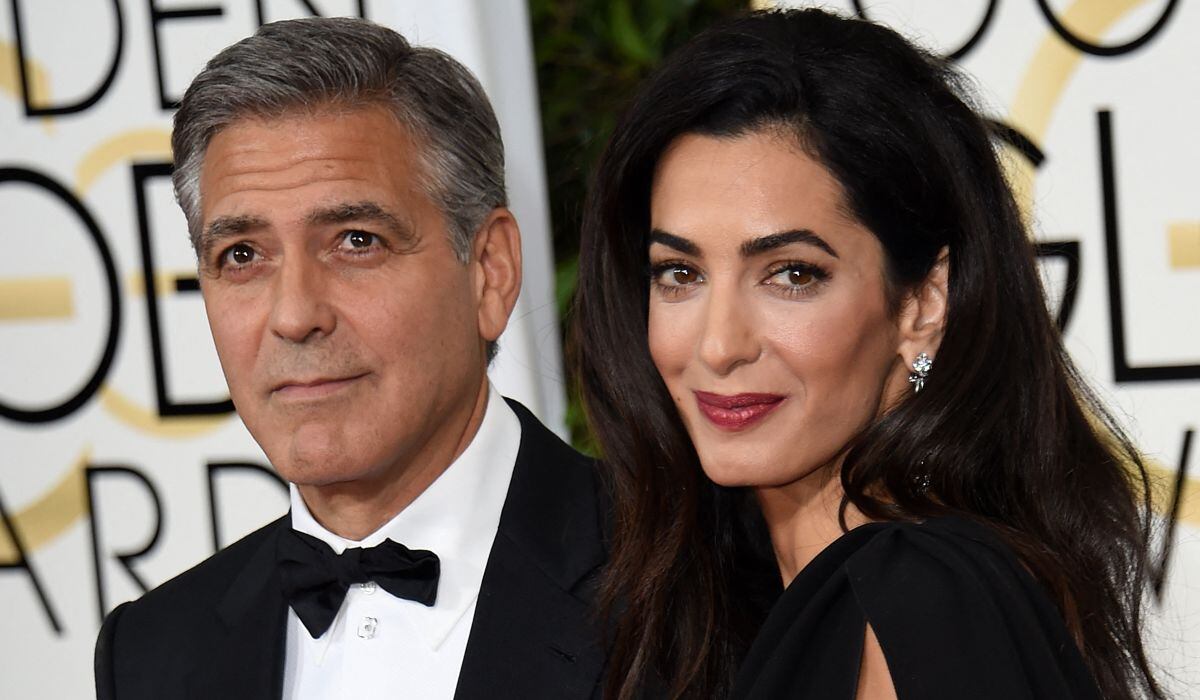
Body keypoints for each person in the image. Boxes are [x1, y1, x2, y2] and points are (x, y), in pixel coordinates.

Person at [573, 8, 1163, 700]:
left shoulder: (925, 596)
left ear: (922, 303)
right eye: (681, 274)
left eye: (792, 273)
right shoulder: (729, 609)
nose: (719, 344)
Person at [95, 17, 607, 700]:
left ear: (489, 270)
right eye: (241, 255)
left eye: (356, 241)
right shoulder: (152, 653)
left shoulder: (701, 576)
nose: (295, 315)